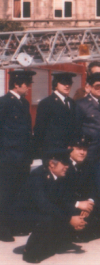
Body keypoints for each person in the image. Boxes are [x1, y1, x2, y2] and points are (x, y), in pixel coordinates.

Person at [12, 149, 85, 264]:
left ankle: (50, 244)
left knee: (58, 214)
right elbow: (44, 205)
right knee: (49, 218)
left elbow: (63, 200)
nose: (67, 166)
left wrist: (75, 215)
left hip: (40, 210)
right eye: (64, 163)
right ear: (51, 164)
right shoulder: (37, 176)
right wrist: (69, 219)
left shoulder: (59, 175)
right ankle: (30, 251)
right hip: (22, 215)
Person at [0, 69, 36, 242]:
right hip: (8, 157)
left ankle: (14, 225)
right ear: (16, 84)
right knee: (5, 193)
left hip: (22, 157)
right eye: (27, 84)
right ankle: (2, 228)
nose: (29, 87)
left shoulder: (24, 103)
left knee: (18, 193)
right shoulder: (4, 102)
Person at [33, 71, 77, 157]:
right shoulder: (46, 103)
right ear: (55, 84)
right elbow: (40, 129)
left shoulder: (72, 103)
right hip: (52, 149)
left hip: (69, 148)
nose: (67, 86)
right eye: (63, 83)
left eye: (69, 83)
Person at [64, 135, 98, 241]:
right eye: (79, 149)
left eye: (85, 149)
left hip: (84, 206)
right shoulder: (63, 165)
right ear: (69, 149)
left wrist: (89, 204)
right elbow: (60, 195)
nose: (82, 153)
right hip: (68, 205)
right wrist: (79, 205)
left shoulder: (88, 165)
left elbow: (93, 187)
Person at [75, 72, 100, 162]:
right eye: (97, 86)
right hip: (91, 151)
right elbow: (76, 129)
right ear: (89, 87)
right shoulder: (81, 104)